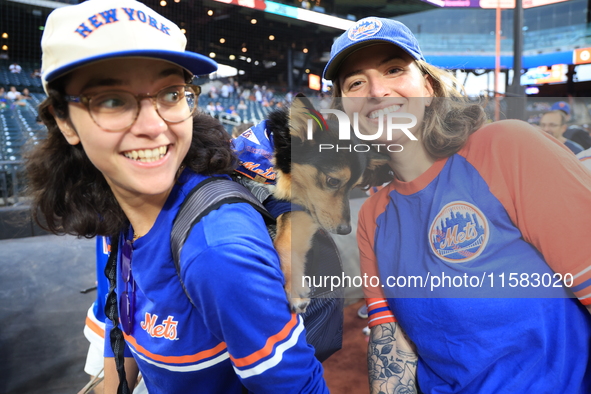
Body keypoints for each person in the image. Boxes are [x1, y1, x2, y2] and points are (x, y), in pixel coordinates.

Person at [27, 1, 328, 393]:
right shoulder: (112, 208)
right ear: (64, 120)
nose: (154, 127)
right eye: (113, 100)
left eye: (170, 93)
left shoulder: (217, 252)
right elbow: (121, 336)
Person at [322, 17, 591, 394]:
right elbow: (390, 341)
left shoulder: (506, 148)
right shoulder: (372, 216)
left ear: (428, 87)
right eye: (355, 83)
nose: (376, 91)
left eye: (394, 69)